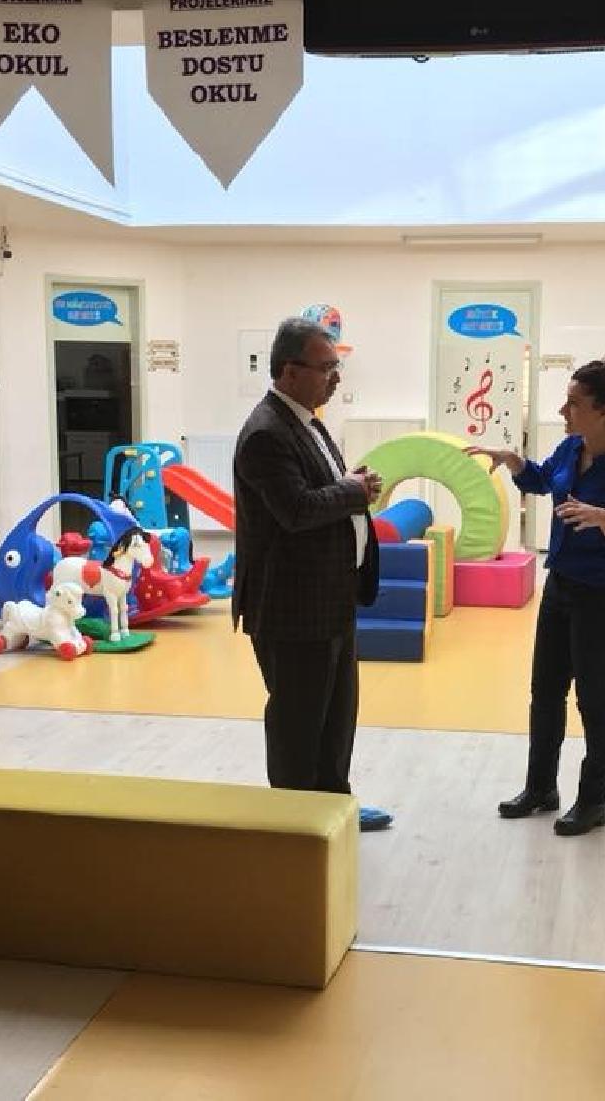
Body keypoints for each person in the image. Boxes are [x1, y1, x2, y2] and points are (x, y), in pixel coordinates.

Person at [468, 348, 605, 836]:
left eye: (573, 403)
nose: (562, 410)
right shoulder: (572, 449)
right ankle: (540, 789)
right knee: (545, 694)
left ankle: (593, 801)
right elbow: (542, 480)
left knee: (594, 701)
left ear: (604, 412)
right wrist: (514, 462)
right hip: (562, 587)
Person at [232, 316, 393, 832]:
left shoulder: (307, 421)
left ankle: (333, 806)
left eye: (335, 367)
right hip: (292, 607)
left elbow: (320, 490)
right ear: (289, 370)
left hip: (330, 597)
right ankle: (295, 824)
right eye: (326, 368)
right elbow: (296, 509)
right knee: (298, 723)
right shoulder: (265, 433)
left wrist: (349, 484)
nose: (335, 378)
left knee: (336, 716)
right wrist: (353, 491)